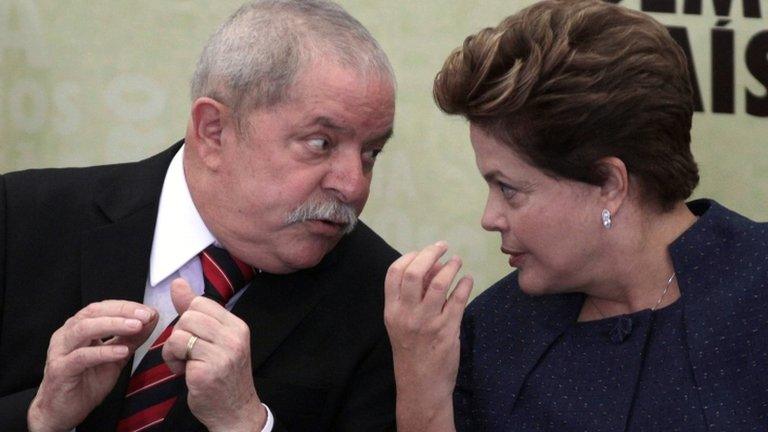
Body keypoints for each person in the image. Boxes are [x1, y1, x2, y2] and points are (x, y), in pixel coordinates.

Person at [0, 1, 399, 431]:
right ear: (214, 131)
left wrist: (247, 424)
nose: (354, 185)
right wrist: (40, 417)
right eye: (321, 143)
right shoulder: (21, 218)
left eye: (370, 153)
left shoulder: (384, 298)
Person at [384, 0, 768, 431]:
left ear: (609, 183)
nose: (489, 217)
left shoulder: (756, 286)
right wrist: (424, 396)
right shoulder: (493, 333)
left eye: (509, 189)